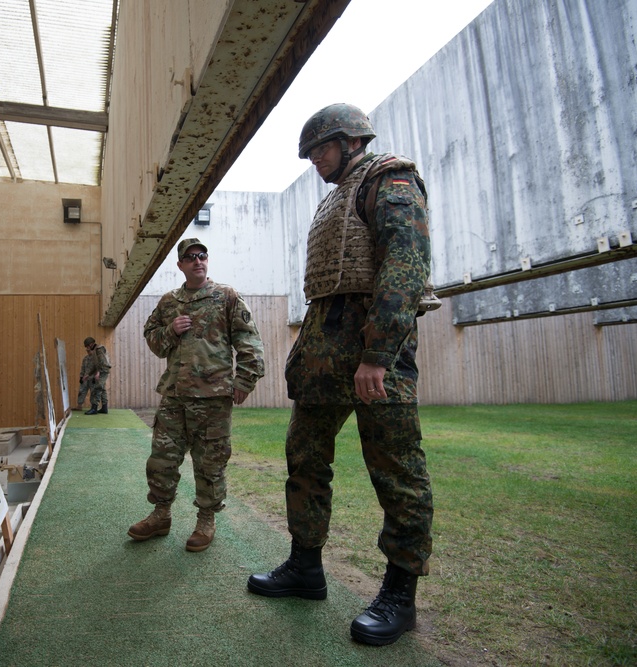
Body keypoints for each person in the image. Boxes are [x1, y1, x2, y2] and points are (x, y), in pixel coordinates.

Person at [246, 103, 434, 647]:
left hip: (373, 350)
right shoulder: (336, 194)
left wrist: (377, 354)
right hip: (325, 350)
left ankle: (400, 595)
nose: (314, 161)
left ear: (351, 140)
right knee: (304, 455)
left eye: (319, 150)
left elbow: (405, 263)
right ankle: (305, 566)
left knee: (396, 471)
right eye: (309, 154)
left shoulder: (390, 178)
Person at [128, 238, 264, 552]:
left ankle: (206, 520)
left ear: (207, 260)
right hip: (175, 395)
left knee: (210, 464)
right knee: (161, 460)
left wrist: (245, 380)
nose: (197, 261)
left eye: (202, 255)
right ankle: (161, 514)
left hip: (213, 399)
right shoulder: (168, 302)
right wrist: (169, 331)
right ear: (180, 265)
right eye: (190, 257)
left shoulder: (226, 296)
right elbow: (154, 341)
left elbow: (250, 342)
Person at [83, 337, 111, 414]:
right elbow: (95, 365)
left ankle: (94, 408)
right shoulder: (95, 351)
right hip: (102, 370)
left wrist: (98, 372)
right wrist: (88, 375)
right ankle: (104, 408)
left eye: (87, 346)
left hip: (103, 370)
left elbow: (102, 362)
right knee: (103, 389)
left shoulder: (99, 349)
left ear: (91, 344)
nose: (87, 348)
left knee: (97, 387)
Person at [76, 339, 97, 411]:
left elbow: (97, 368)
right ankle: (79, 406)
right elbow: (82, 368)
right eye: (87, 351)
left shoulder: (96, 358)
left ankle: (93, 407)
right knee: (81, 391)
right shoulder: (85, 359)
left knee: (93, 392)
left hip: (92, 378)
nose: (88, 352)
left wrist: (95, 377)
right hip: (85, 378)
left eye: (89, 350)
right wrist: (81, 377)